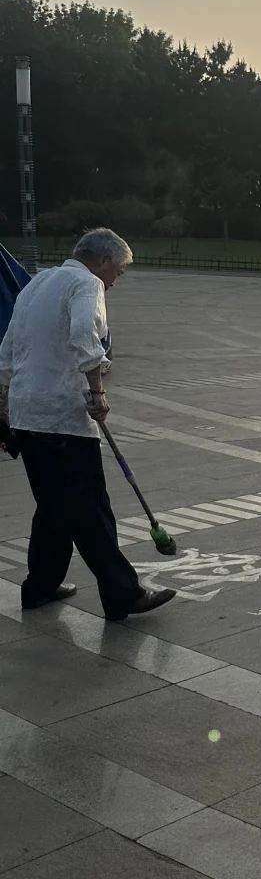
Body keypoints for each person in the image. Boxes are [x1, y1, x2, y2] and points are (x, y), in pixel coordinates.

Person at [0, 228, 175, 620]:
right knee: (90, 507)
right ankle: (122, 593)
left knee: (52, 506)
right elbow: (84, 336)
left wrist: (3, 405)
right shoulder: (86, 283)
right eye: (119, 272)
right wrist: (97, 393)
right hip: (62, 413)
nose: (116, 281)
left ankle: (40, 587)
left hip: (28, 412)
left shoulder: (39, 282)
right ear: (104, 261)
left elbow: (7, 347)